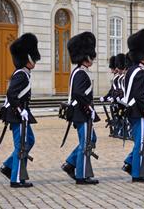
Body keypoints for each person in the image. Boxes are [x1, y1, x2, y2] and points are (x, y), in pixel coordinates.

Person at [0, 33, 40, 188]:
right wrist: (19, 109)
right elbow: (11, 94)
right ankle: (16, 178)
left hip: (21, 113)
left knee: (29, 140)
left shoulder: (24, 73)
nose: (35, 61)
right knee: (21, 145)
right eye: (33, 58)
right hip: (17, 114)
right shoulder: (21, 75)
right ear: (26, 58)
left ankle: (8, 166)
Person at [61, 32, 100, 185]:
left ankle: (70, 163)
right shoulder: (80, 73)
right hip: (81, 113)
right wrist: (88, 108)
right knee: (86, 143)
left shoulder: (80, 72)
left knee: (91, 139)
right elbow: (78, 93)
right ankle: (81, 175)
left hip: (80, 112)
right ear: (86, 56)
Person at [121, 29, 144, 182]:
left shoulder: (131, 70)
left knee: (139, 142)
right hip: (138, 112)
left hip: (131, 111)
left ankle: (133, 166)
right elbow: (139, 96)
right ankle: (137, 173)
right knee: (141, 143)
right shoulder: (141, 73)